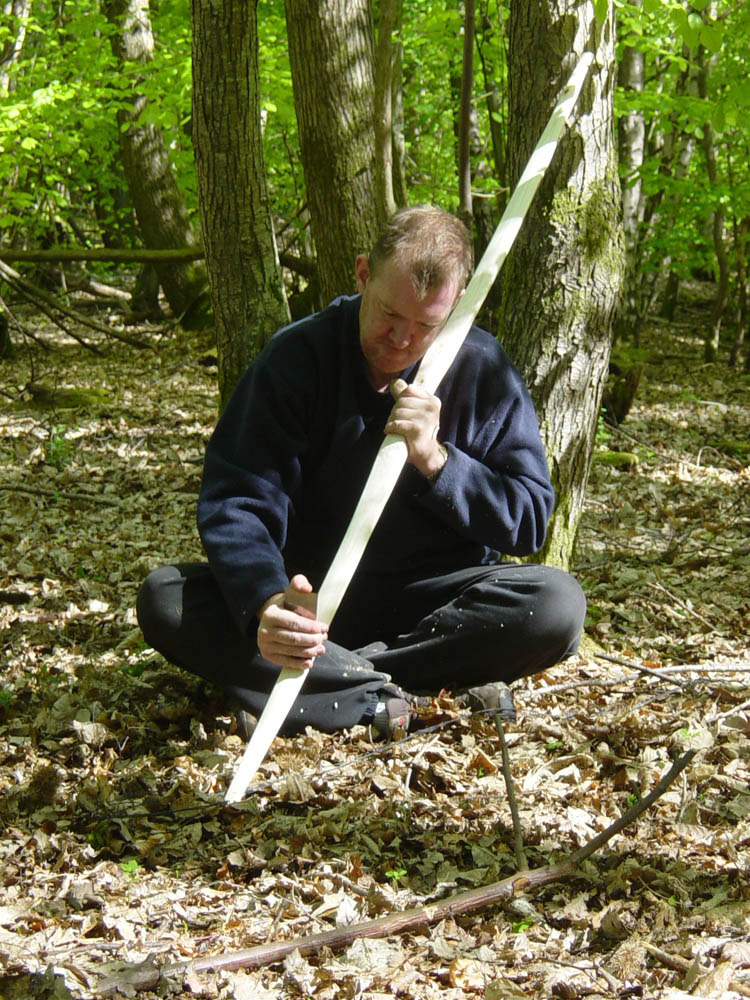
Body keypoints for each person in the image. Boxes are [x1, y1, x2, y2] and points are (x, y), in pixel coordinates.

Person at [136, 205, 586, 738]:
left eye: (426, 325)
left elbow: (529, 519)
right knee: (166, 598)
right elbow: (238, 500)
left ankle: (341, 691)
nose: (401, 339)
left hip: (434, 612)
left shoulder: (482, 367)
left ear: (456, 309)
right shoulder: (299, 358)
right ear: (362, 273)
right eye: (389, 314)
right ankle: (403, 693)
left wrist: (437, 461)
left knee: (557, 605)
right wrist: (266, 602)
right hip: (314, 604)